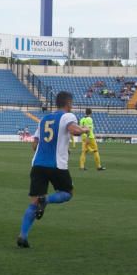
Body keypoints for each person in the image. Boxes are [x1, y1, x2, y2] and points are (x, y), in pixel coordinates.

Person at [17, 91, 91, 248]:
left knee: (33, 203)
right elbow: (74, 130)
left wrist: (59, 149)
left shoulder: (43, 119)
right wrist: (85, 130)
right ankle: (47, 200)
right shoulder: (68, 116)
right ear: (68, 103)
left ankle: (23, 235)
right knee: (67, 193)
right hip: (56, 165)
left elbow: (35, 145)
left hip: (37, 165)